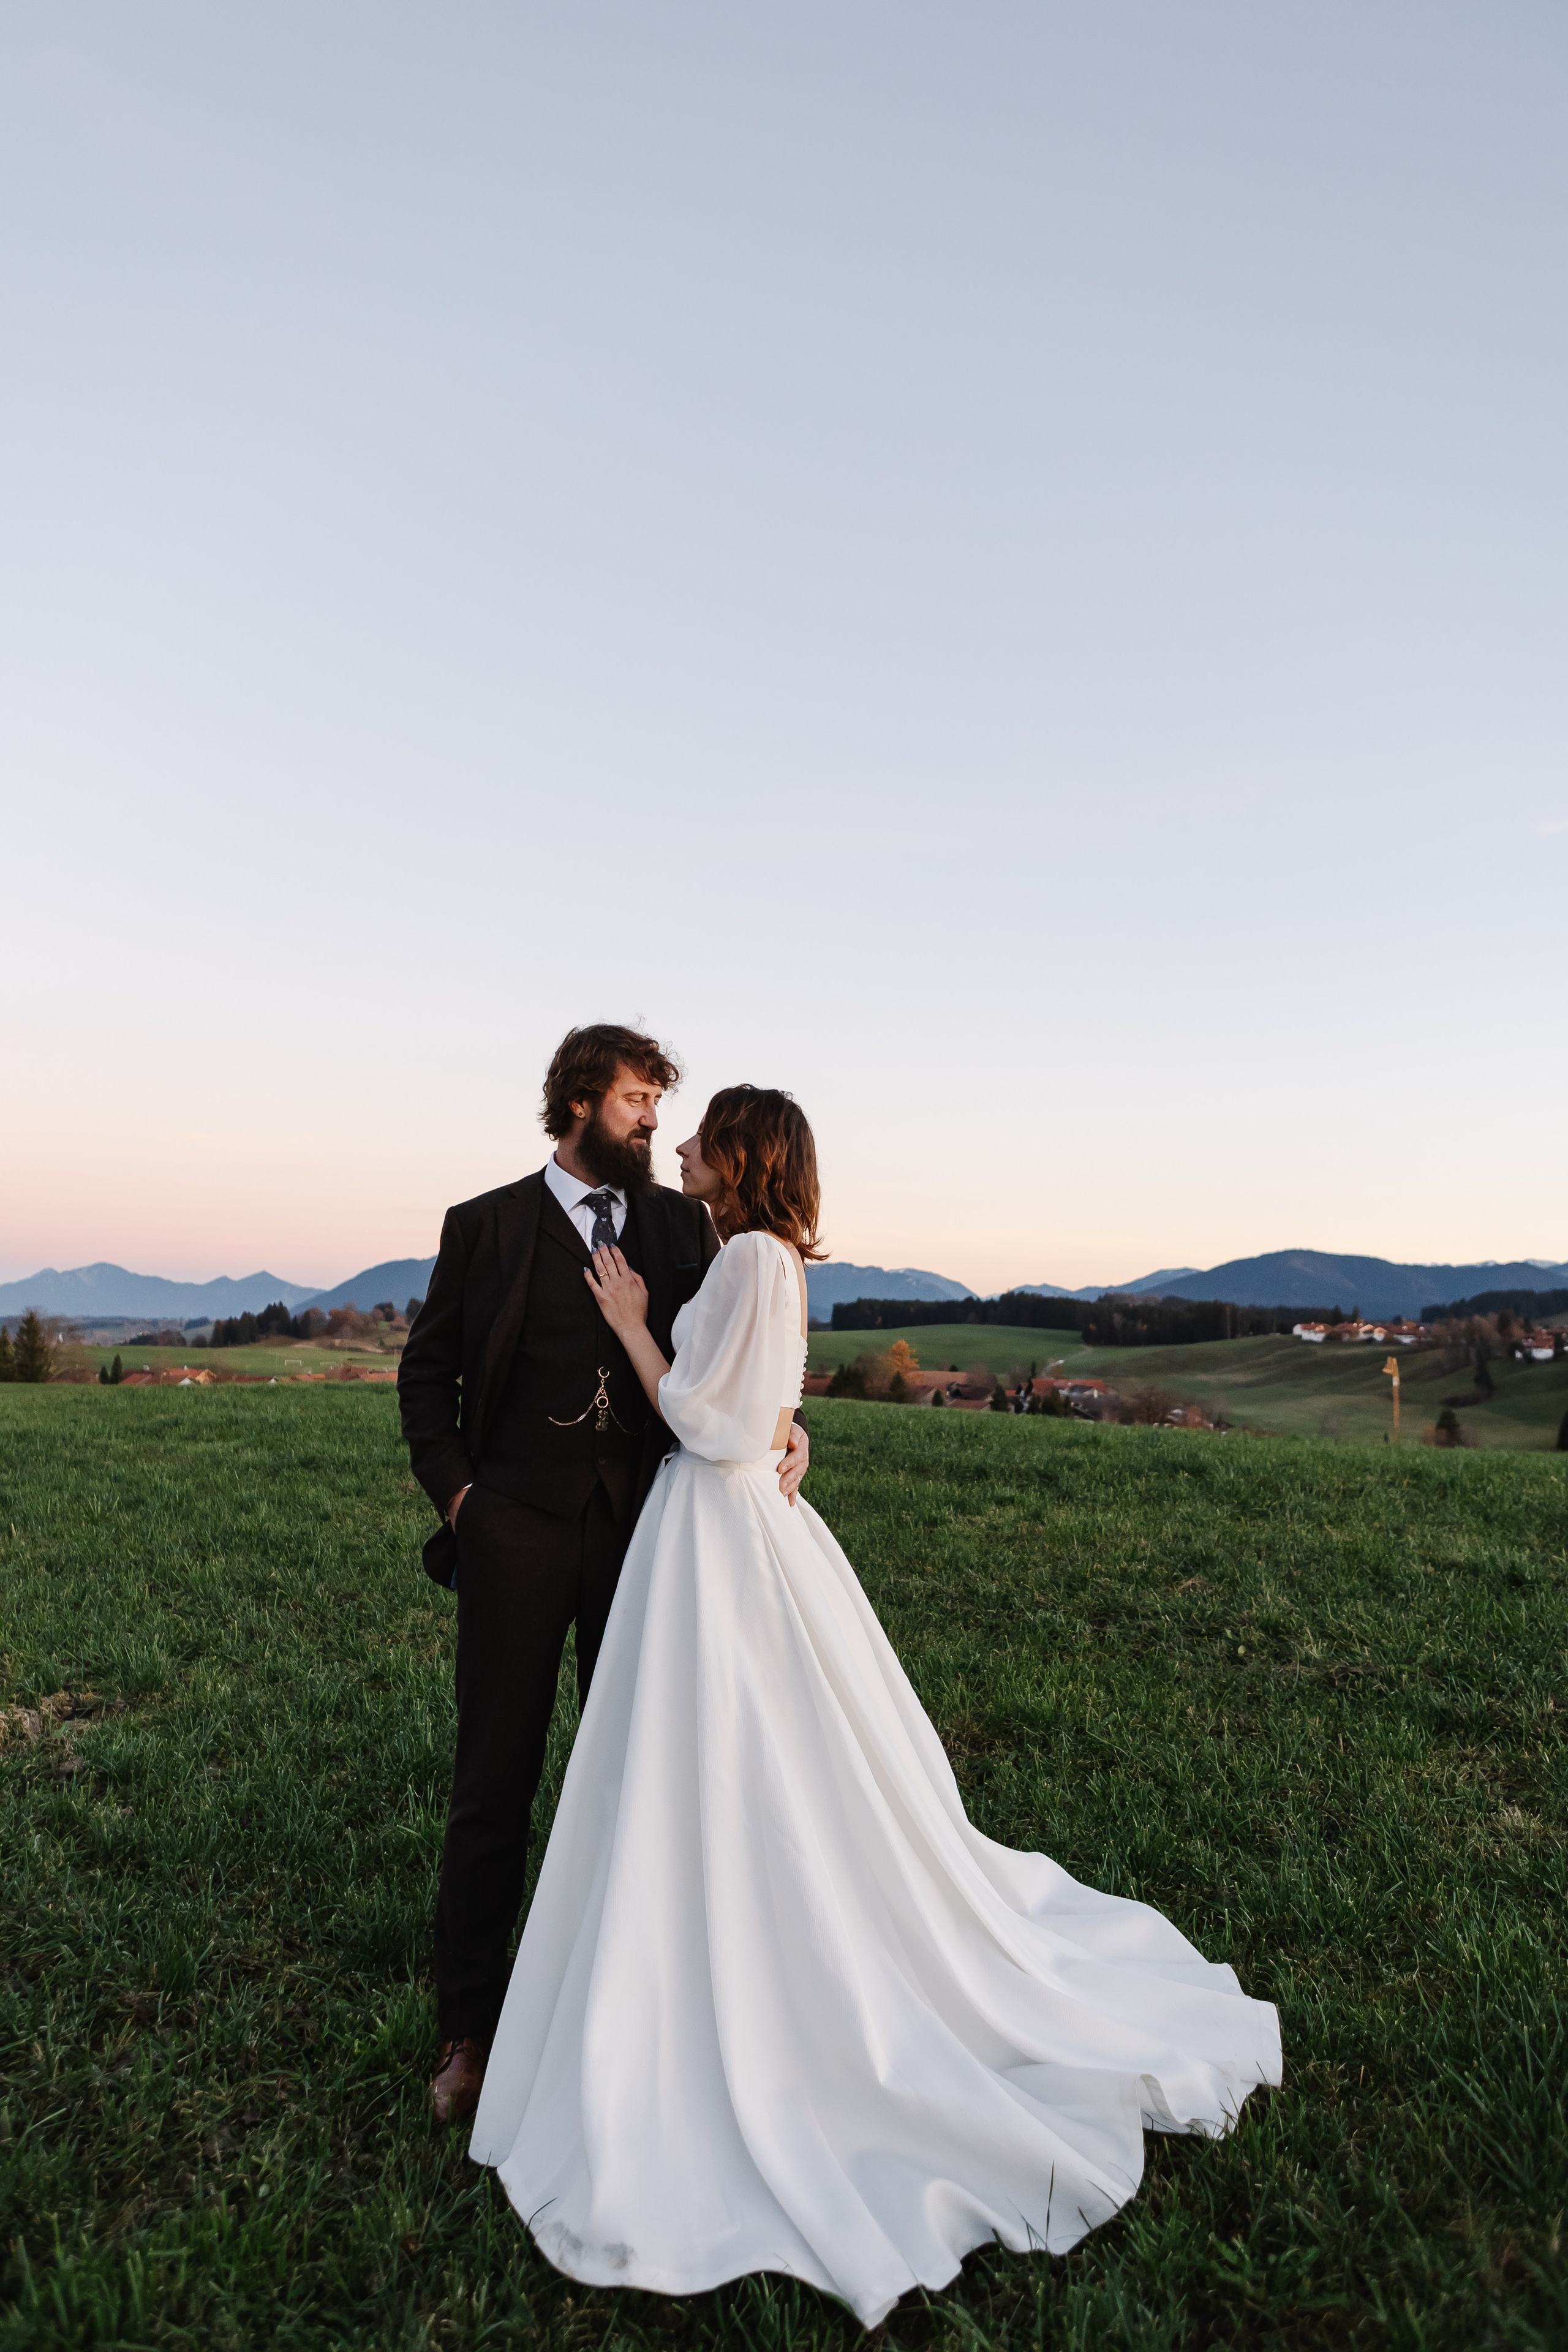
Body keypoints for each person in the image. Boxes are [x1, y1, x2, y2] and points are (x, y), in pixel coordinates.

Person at [469, 1086, 1282, 2329]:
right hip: (727, 1533)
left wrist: (636, 1326)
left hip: (714, 1530)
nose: (678, 1143)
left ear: (739, 1158)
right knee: (748, 1762)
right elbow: (764, 1410)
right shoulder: (767, 1260)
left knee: (723, 1758)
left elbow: (713, 1425)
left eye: (699, 1136)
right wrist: (775, 1421)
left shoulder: (741, 1256)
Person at [398, 1027, 809, 2127]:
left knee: (645, 1781)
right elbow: (425, 1379)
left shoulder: (689, 1224)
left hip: (648, 1539)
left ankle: (636, 2025)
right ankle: (472, 2031)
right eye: (636, 1100)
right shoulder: (481, 1227)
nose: (652, 1124)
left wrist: (789, 1421)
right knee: (493, 1782)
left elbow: (741, 1354)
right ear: (579, 1101)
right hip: (515, 1534)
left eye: (658, 1105)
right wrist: (464, 1505)